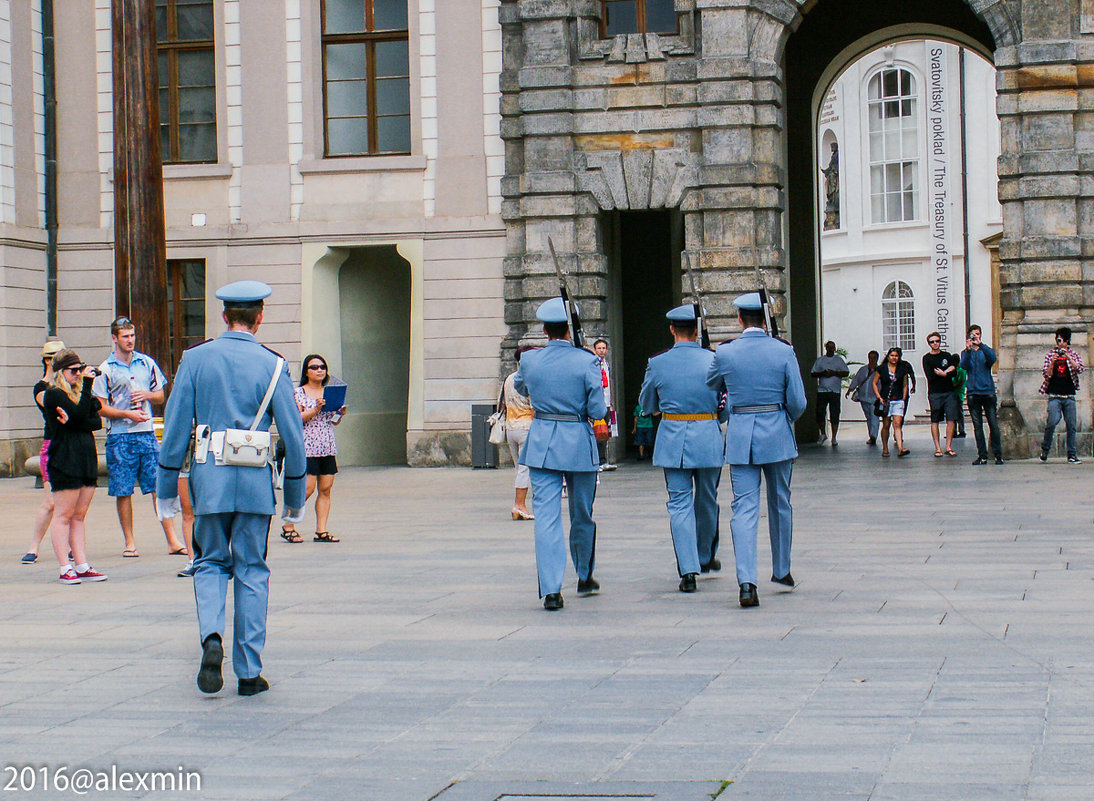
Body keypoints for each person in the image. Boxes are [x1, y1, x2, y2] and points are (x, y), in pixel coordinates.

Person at [156, 280, 306, 697]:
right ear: (260, 318)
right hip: (256, 484)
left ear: (223, 316)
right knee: (252, 571)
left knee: (208, 563)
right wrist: (294, 502)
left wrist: (166, 487)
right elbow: (293, 441)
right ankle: (248, 671)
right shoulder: (274, 365)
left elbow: (174, 431)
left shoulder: (195, 359)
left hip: (209, 482)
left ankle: (210, 639)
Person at [706, 293, 807, 608]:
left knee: (744, 509)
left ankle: (747, 582)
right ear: (765, 320)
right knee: (781, 503)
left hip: (741, 436)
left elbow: (712, 383)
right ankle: (782, 569)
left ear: (739, 319)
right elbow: (799, 402)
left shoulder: (727, 352)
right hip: (776, 431)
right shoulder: (783, 351)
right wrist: (782, 416)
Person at [514, 297, 607, 611]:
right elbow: (596, 408)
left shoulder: (529, 360)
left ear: (544, 329)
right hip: (578, 442)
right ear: (570, 329)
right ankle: (584, 574)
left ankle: (552, 589)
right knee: (582, 513)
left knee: (548, 517)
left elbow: (522, 389)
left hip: (542, 443)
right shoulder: (587, 360)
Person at [639, 304, 725, 593]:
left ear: (672, 329)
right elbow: (725, 407)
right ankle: (704, 556)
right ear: (697, 330)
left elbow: (648, 404)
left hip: (673, 437)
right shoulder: (714, 360)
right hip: (708, 436)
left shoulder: (657, 362)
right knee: (708, 500)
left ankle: (687, 570)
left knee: (679, 504)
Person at [93, 316, 186, 558]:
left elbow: (160, 395)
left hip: (146, 433)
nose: (130, 340)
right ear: (115, 338)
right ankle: (130, 541)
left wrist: (146, 394)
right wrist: (125, 413)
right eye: (125, 336)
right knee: (123, 490)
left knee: (157, 486)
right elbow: (100, 407)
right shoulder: (106, 369)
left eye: (132, 335)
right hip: (121, 435)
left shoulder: (146, 363)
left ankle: (172, 539)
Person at [41, 349, 107, 585]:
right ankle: (64, 566)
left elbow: (94, 419)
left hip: (86, 458)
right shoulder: (53, 395)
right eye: (73, 371)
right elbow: (81, 415)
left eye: (80, 370)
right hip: (64, 459)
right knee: (63, 515)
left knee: (79, 516)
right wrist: (88, 386)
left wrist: (76, 420)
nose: (78, 374)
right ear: (61, 371)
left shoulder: (79, 393)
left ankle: (82, 564)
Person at [280, 354, 346, 543]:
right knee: (306, 489)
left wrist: (339, 414)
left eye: (322, 367)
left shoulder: (329, 392)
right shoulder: (298, 393)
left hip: (326, 444)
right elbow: (297, 419)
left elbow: (332, 421)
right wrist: (315, 409)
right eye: (314, 367)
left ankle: (321, 530)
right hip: (307, 445)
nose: (319, 370)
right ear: (306, 372)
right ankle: (288, 525)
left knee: (325, 488)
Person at [22, 340, 66, 564]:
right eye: (57, 356)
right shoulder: (42, 387)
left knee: (70, 503)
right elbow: (50, 405)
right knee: (50, 501)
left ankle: (67, 545)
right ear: (48, 360)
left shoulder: (70, 383)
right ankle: (34, 546)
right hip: (52, 444)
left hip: (71, 445)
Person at [1039, 326, 1085, 463]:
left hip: (1069, 396)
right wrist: (1053, 361)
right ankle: (1045, 448)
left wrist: (1068, 357)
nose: (1060, 343)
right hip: (1055, 396)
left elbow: (1080, 369)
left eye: (1062, 340)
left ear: (1067, 341)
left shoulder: (1073, 354)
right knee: (1052, 422)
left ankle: (1072, 454)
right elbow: (1047, 374)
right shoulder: (1050, 355)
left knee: (1071, 425)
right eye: (1058, 340)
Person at [960, 324, 1003, 465]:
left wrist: (981, 345)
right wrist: (967, 350)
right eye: (973, 334)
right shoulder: (966, 353)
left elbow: (992, 359)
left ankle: (997, 455)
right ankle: (982, 455)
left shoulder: (986, 350)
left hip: (987, 391)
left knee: (993, 424)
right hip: (973, 392)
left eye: (977, 334)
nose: (975, 336)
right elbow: (964, 366)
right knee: (977, 426)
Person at [501, 347, 535, 521]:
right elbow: (535, 407)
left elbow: (502, 404)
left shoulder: (508, 379)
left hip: (510, 427)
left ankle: (523, 505)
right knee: (525, 469)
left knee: (519, 468)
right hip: (526, 427)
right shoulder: (529, 380)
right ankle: (519, 505)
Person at [922, 332, 960, 457]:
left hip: (949, 391)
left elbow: (954, 372)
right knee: (935, 420)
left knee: (951, 419)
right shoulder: (927, 358)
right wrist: (947, 371)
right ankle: (937, 447)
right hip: (935, 392)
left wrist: (945, 374)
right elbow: (931, 375)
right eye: (932, 342)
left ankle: (948, 446)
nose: (935, 343)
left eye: (937, 341)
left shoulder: (946, 355)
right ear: (929, 344)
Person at [871, 347, 914, 458]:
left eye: (896, 356)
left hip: (898, 399)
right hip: (885, 400)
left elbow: (905, 384)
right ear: (888, 356)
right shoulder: (881, 369)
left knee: (897, 424)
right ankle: (885, 448)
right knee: (886, 424)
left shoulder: (902, 369)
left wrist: (904, 398)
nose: (894, 358)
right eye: (892, 355)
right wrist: (879, 397)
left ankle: (900, 448)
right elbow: (874, 383)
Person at [810, 340, 849, 445]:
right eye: (829, 347)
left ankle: (834, 437)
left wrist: (834, 373)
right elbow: (813, 373)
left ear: (835, 349)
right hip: (822, 391)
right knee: (820, 412)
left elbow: (846, 372)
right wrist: (822, 373)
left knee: (835, 413)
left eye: (832, 347)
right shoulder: (820, 360)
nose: (830, 349)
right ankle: (823, 433)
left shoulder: (839, 360)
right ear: (826, 348)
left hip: (835, 391)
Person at [845, 350, 880, 445]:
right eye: (870, 358)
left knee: (874, 417)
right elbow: (856, 380)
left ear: (877, 358)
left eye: (874, 358)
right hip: (864, 398)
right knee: (868, 417)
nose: (872, 360)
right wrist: (850, 390)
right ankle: (871, 435)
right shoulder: (863, 370)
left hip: (875, 398)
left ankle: (873, 436)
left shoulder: (880, 370)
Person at [592, 338, 617, 471]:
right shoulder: (593, 364)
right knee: (596, 432)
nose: (602, 351)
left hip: (607, 403)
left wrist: (611, 403)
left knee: (605, 433)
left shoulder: (606, 364)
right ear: (595, 350)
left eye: (603, 348)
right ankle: (595, 461)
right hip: (597, 404)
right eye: (599, 348)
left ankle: (603, 460)